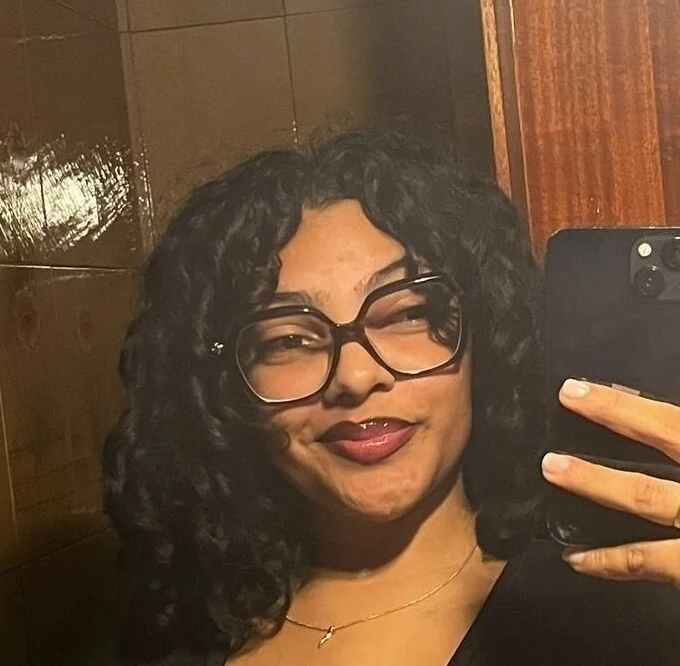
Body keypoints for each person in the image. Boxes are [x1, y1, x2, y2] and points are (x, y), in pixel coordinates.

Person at [104, 130, 680, 666]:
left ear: (486, 337)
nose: (355, 377)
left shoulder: (626, 617)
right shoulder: (176, 635)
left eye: (407, 313)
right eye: (289, 339)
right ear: (226, 387)